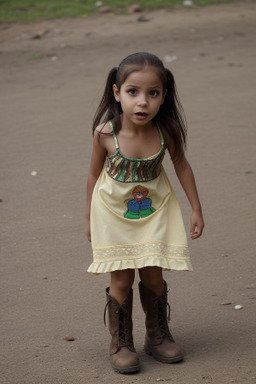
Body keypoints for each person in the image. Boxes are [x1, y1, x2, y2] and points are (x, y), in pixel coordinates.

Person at [86, 52, 204, 374]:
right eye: (133, 92)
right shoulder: (105, 134)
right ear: (116, 92)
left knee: (153, 273)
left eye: (153, 93)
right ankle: (121, 343)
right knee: (121, 277)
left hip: (153, 211)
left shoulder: (166, 132)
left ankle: (157, 334)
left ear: (164, 96)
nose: (143, 102)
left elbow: (182, 166)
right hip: (112, 213)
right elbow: (94, 177)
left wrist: (196, 208)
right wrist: (88, 219)